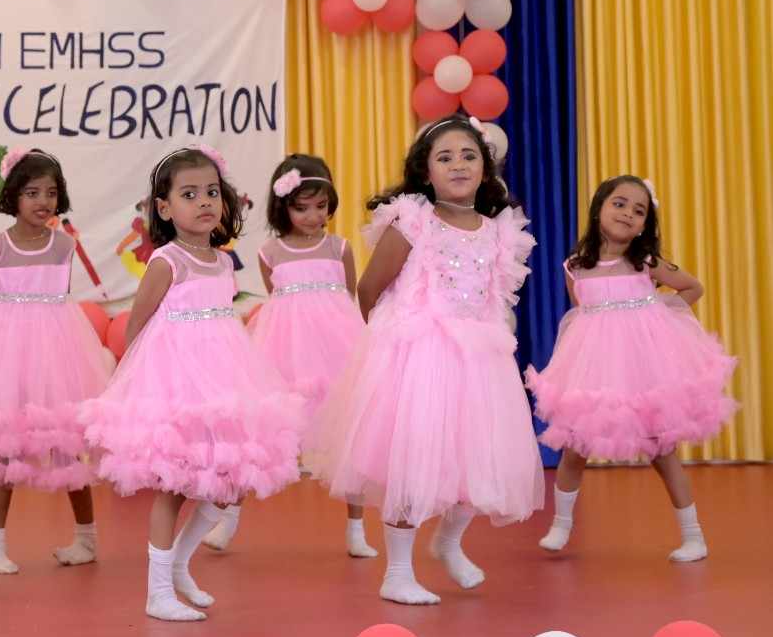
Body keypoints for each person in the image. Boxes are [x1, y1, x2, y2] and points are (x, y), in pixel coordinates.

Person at [304, 116, 544, 605]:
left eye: (469, 156)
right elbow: (369, 289)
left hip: (478, 363)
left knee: (479, 461)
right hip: (419, 359)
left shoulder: (499, 232)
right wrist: (392, 343)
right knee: (412, 465)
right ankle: (397, 573)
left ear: (486, 168)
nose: (458, 165)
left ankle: (448, 542)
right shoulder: (413, 223)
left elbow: (496, 299)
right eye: (445, 157)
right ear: (425, 171)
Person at [80, 145, 305, 622]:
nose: (203, 202)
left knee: (227, 484)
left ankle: (180, 565)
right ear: (164, 209)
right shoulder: (167, 261)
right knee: (175, 486)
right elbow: (138, 325)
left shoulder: (222, 262)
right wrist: (142, 388)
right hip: (176, 387)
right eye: (189, 194)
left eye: (211, 193)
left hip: (222, 383)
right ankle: (158, 591)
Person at [526, 175, 736, 562]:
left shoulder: (645, 263)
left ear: (644, 225)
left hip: (643, 369)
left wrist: (660, 312)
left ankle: (694, 536)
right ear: (599, 208)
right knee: (576, 446)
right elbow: (583, 313)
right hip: (595, 367)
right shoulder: (575, 266)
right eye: (619, 204)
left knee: (662, 450)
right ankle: (561, 525)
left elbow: (692, 287)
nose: (627, 214)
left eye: (639, 211)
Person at [0, 147, 112, 575]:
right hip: (8, 361)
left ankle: (86, 539)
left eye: (51, 193)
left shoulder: (64, 246)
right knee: (3, 452)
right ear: (13, 196)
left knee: (67, 447)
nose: (43, 201)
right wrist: (10, 334)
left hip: (58, 359)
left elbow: (59, 301)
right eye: (32, 192)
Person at [206, 154, 376, 558]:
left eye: (321, 206)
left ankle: (356, 529)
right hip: (283, 352)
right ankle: (228, 519)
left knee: (348, 437)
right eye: (302, 208)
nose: (313, 216)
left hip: (338, 350)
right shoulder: (270, 251)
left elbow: (347, 298)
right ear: (283, 206)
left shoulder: (339, 247)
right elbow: (278, 301)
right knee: (260, 433)